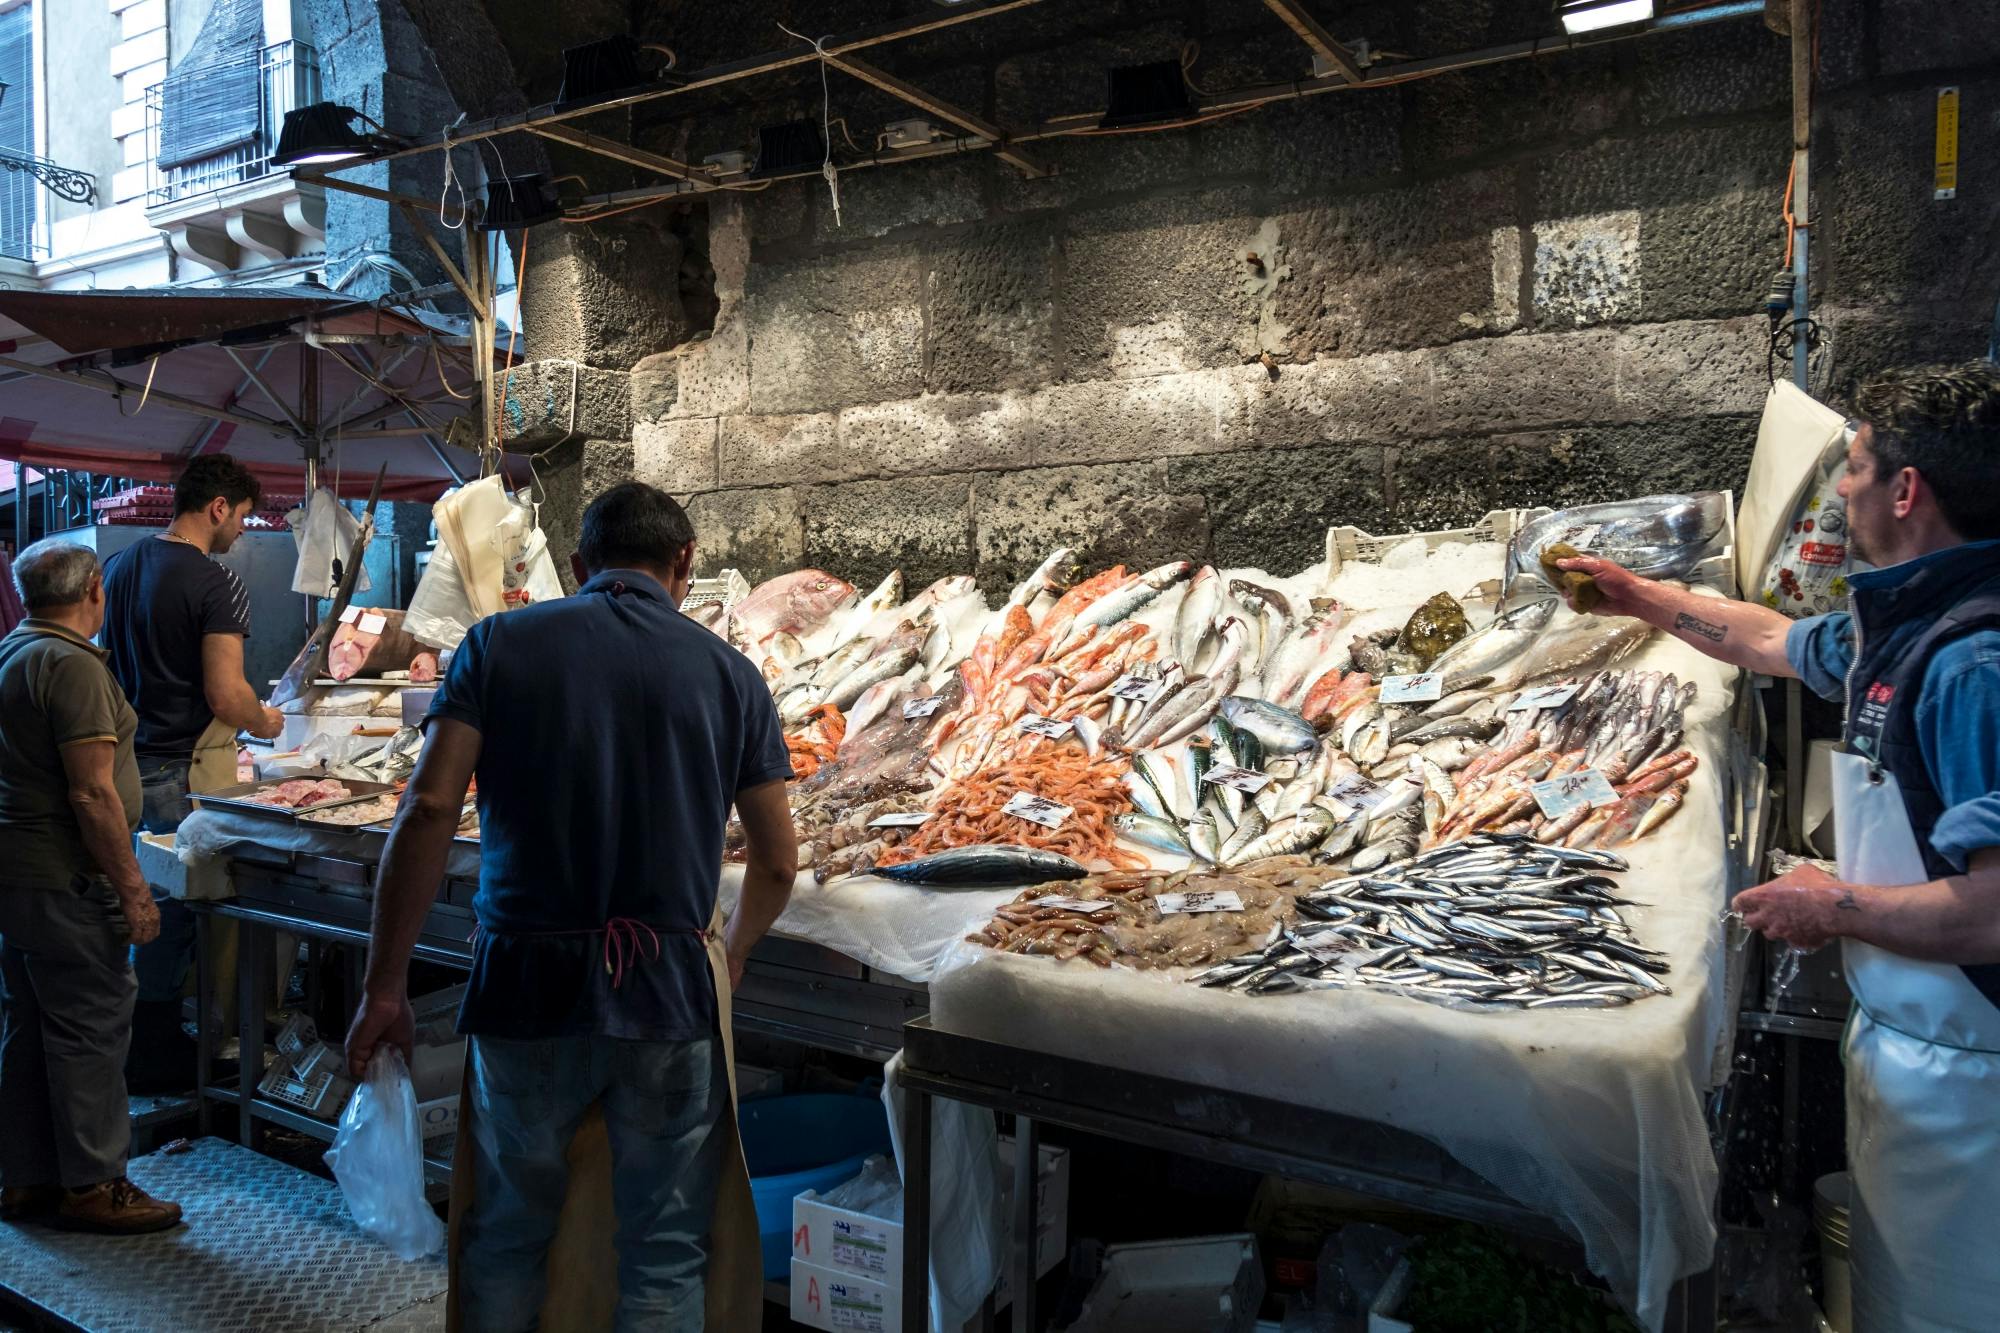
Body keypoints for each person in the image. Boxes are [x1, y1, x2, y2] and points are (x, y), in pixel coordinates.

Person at [1559, 361, 2000, 1331]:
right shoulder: (1906, 621)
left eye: (1849, 467)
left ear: (1903, 489)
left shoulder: (1971, 664)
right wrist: (1637, 595)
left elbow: (1993, 909)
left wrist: (1829, 904)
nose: (1837, 490)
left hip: (1974, 1082)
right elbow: (1769, 639)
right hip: (1916, 1053)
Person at [345, 482, 797, 1330]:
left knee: (508, 1232)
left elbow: (431, 810)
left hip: (525, 987)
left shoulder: (498, 645)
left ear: (580, 565)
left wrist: (385, 986)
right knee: (663, 1251)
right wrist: (723, 964)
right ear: (685, 567)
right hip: (670, 998)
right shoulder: (732, 675)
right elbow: (776, 863)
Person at [0, 540, 183, 1233]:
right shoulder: (71, 665)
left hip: (21, 879)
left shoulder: (12, 651)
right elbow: (93, 792)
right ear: (94, 591)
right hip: (69, 881)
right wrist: (135, 890)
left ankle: (27, 1179)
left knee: (30, 1025)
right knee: (90, 1031)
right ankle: (94, 1184)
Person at [101, 455, 284, 1088]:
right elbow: (226, 696)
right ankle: (158, 1047)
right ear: (217, 508)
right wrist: (265, 721)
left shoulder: (117, 567)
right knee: (183, 908)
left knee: (138, 900)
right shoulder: (215, 582)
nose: (243, 531)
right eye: (243, 517)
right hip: (184, 770)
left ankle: (137, 1034)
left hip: (124, 766)